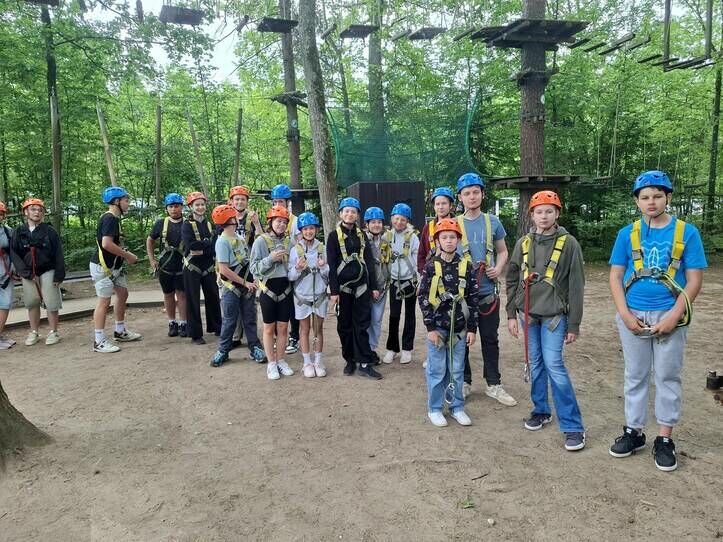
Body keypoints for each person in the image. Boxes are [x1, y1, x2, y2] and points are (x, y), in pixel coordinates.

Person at [608, 170, 706, 472]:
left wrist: (674, 316)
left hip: (669, 314)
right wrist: (625, 315)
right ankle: (634, 431)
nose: (651, 202)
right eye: (645, 197)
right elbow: (615, 276)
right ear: (637, 202)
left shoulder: (687, 233)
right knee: (635, 374)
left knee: (667, 375)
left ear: (668, 198)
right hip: (633, 313)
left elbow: (694, 280)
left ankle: (664, 438)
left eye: (657, 196)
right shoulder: (627, 234)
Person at [505, 190, 586, 452]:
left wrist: (573, 324)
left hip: (554, 316)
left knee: (554, 365)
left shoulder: (569, 244)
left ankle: (573, 426)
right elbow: (512, 278)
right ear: (531, 215)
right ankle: (541, 410)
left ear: (557, 214)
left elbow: (576, 285)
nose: (544, 216)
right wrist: (511, 313)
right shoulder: (523, 243)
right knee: (535, 363)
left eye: (549, 211)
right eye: (539, 212)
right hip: (528, 314)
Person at [456, 172, 517, 406]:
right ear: (460, 197)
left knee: (490, 339)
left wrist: (498, 268)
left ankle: (493, 384)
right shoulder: (454, 224)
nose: (472, 197)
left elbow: (502, 251)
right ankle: (464, 381)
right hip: (463, 295)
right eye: (467, 193)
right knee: (461, 339)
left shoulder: (493, 222)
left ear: (482, 194)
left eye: (475, 192)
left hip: (487, 292)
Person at [419, 218, 479, 427]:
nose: (449, 241)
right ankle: (435, 408)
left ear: (459, 240)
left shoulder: (467, 266)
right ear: (437, 241)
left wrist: (472, 328)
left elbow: (473, 298)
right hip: (438, 328)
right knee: (437, 370)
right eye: (444, 237)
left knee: (456, 370)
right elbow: (423, 297)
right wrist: (430, 328)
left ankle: (456, 407)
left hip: (459, 329)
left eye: (452, 237)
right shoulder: (431, 267)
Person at [327, 197, 382, 379]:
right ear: (341, 214)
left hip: (362, 288)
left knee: (362, 324)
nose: (350, 214)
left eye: (353, 211)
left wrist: (373, 286)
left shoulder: (361, 235)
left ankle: (364, 362)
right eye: (346, 211)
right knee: (344, 326)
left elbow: (369, 261)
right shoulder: (333, 236)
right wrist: (334, 292)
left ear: (357, 215)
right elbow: (331, 266)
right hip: (343, 289)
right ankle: (349, 359)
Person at [209, 204, 265, 367]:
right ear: (230, 220)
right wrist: (245, 283)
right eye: (233, 218)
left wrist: (254, 279)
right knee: (229, 320)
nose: (237, 219)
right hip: (232, 286)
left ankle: (254, 346)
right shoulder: (222, 242)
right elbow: (224, 270)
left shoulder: (239, 238)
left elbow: (247, 261)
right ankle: (223, 350)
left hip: (246, 284)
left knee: (249, 318)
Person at [89, 186, 142, 353]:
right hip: (103, 267)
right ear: (117, 202)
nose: (128, 204)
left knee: (122, 294)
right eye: (126, 200)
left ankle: (119, 331)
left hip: (113, 266)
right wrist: (128, 255)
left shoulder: (112, 218)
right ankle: (99, 341)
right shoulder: (110, 218)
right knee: (104, 302)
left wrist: (122, 254)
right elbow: (106, 244)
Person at [10, 198, 64, 346]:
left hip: (48, 269)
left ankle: (53, 332)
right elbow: (14, 253)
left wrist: (59, 275)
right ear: (26, 212)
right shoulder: (19, 232)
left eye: (40, 210)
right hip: (28, 272)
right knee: (32, 302)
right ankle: (34, 332)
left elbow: (58, 253)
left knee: (51, 301)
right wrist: (24, 272)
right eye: (33, 209)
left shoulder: (49, 231)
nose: (37, 212)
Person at [250, 205, 294, 380]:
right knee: (269, 328)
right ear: (270, 222)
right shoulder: (261, 242)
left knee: (283, 327)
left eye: (284, 222)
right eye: (278, 221)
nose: (281, 225)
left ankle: (280, 360)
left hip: (285, 289)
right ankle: (271, 363)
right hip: (268, 289)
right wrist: (270, 259)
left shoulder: (290, 243)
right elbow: (254, 268)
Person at [288, 212, 329, 378]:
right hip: (302, 296)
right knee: (304, 329)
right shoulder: (295, 250)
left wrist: (323, 266)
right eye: (305, 229)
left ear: (316, 229)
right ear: (301, 231)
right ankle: (306, 362)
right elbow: (290, 276)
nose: (309, 232)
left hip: (319, 295)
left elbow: (329, 274)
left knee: (318, 329)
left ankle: (318, 360)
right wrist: (297, 268)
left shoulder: (322, 249)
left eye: (311, 228)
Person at [382, 203, 420, 364]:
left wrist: (419, 281)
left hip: (410, 280)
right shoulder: (386, 236)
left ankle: (407, 349)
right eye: (396, 219)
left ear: (407, 221)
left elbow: (418, 260)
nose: (399, 222)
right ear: (391, 218)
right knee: (394, 315)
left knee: (410, 314)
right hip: (394, 281)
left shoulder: (412, 237)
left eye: (403, 220)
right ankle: (392, 348)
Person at [182, 191, 222, 345]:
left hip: (208, 266)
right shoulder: (187, 225)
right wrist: (208, 245)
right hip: (192, 266)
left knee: (213, 296)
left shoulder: (210, 224)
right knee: (193, 300)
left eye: (202, 204)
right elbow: (191, 246)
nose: (200, 207)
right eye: (197, 205)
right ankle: (195, 334)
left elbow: (215, 246)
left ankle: (217, 326)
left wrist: (204, 247)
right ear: (191, 207)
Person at [146, 193, 187, 338]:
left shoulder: (188, 223)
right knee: (168, 294)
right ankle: (172, 322)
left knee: (182, 295)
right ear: (167, 208)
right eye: (171, 207)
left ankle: (184, 323)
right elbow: (150, 240)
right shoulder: (161, 224)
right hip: (165, 266)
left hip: (183, 266)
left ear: (181, 207)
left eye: (177, 206)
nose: (174, 209)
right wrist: (152, 260)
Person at [228, 185, 263, 347]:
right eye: (237, 199)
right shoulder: (226, 216)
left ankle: (251, 337)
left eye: (243, 199)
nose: (240, 202)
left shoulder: (252, 217)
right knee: (233, 299)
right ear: (231, 201)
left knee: (250, 301)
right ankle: (236, 336)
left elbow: (261, 240)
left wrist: (257, 224)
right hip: (232, 264)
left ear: (247, 201)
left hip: (248, 265)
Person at [270, 183, 301, 355]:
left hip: (291, 266)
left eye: (280, 201)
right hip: (276, 268)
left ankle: (294, 337)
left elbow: (299, 244)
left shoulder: (294, 221)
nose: (277, 205)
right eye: (275, 202)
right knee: (276, 303)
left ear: (287, 202)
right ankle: (277, 336)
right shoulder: (272, 219)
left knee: (292, 305)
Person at [363, 206, 391, 363]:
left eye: (379, 222)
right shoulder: (363, 240)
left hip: (382, 286)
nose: (376, 225)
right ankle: (363, 349)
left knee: (377, 320)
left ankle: (371, 349)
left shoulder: (385, 241)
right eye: (373, 222)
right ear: (367, 224)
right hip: (366, 287)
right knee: (365, 319)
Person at [417, 187, 455, 272]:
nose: (440, 207)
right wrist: (423, 273)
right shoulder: (428, 228)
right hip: (433, 273)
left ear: (450, 205)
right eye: (437, 204)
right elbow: (421, 254)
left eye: (444, 203)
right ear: (434, 206)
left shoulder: (458, 225)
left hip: (456, 273)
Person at [0, 201, 15, 349]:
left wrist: (14, 269)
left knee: (5, 304)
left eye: (1, 214)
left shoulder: (8, 231)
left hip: (6, 273)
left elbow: (14, 251)